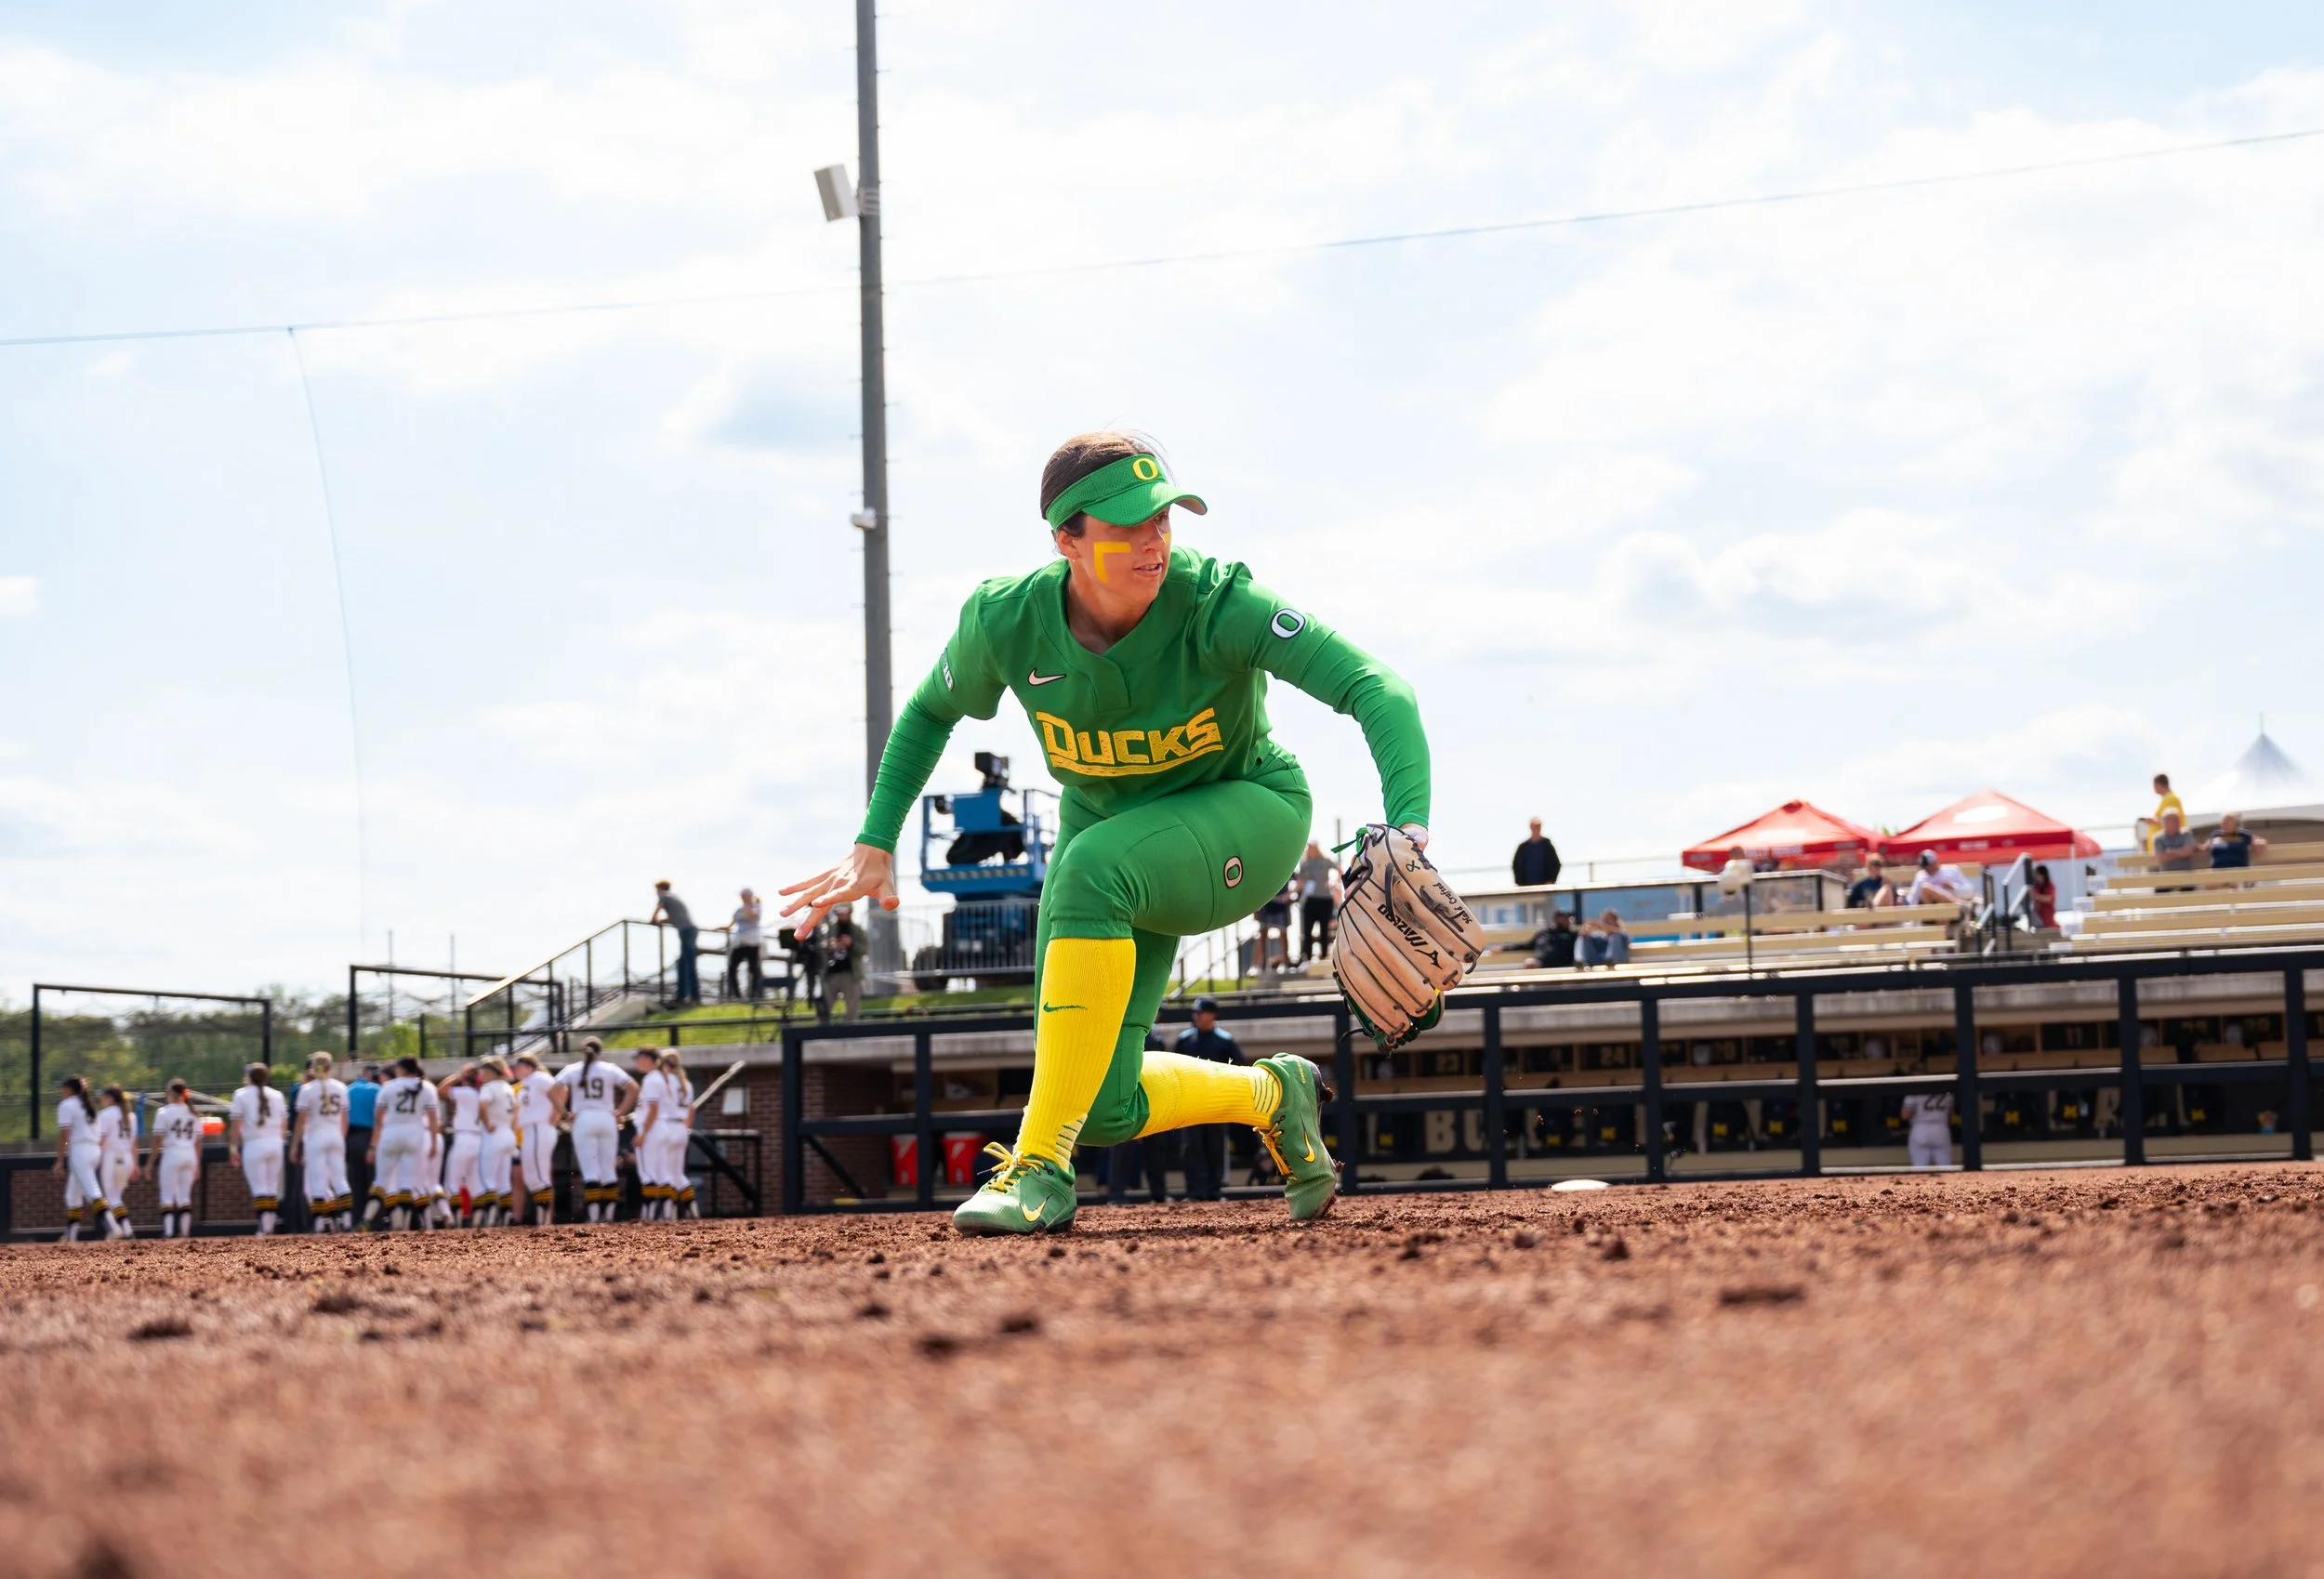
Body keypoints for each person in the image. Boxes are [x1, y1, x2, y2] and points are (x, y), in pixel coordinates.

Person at [781, 429, 1415, 1235]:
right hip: (1111, 835)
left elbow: (1377, 687)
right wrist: (875, 840)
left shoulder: (1218, 602)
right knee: (1101, 1101)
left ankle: (1038, 1169)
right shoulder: (1007, 619)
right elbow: (929, 711)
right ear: (1067, 541)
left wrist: (1410, 825)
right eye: (1127, 526)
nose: (1154, 540)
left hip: (1246, 812)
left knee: (1088, 869)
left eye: (1164, 519)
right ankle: (1275, 1095)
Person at [552, 1036, 637, 1223]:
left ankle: (593, 1216)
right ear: (600, 1052)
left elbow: (552, 1091)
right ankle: (609, 1215)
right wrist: (621, 1112)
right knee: (608, 1169)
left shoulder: (572, 1069)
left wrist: (565, 1114)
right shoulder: (610, 1068)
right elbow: (633, 1088)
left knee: (590, 1171)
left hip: (583, 1119)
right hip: (606, 1118)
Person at [1171, 997, 1245, 1201]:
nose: (1197, 1016)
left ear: (1212, 1015)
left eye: (1201, 1012)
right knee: (1191, 1147)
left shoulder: (1224, 1040)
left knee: (1216, 1146)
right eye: (1195, 1013)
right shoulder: (1185, 1040)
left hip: (1216, 1101)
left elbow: (1238, 1069)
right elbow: (1172, 1068)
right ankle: (1194, 1191)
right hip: (1191, 1101)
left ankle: (1214, 1191)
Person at [362, 1057, 440, 1231]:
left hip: (391, 1133)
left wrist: (372, 1146)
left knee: (381, 1180)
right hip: (415, 1134)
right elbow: (434, 1119)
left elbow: (378, 1119)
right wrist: (434, 1143)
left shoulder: (388, 1087)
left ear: (402, 1069)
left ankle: (367, 1218)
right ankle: (403, 1225)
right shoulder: (427, 1088)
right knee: (406, 1182)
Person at [291, 1052, 353, 1232]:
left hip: (316, 1136)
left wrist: (294, 1145)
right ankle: (347, 1222)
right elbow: (345, 1118)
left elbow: (301, 1121)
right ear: (330, 1067)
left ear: (313, 1068)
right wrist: (341, 1137)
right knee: (340, 1180)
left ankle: (319, 1224)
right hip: (335, 1135)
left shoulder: (307, 1089)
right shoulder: (341, 1087)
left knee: (317, 1180)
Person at [228, 1063, 287, 1235]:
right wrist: (279, 1141)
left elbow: (236, 1125)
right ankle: (269, 1226)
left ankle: (264, 1227)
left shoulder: (241, 1094)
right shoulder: (277, 1095)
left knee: (259, 1187)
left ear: (249, 1077)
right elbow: (284, 1124)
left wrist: (233, 1147)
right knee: (272, 1186)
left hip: (254, 1144)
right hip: (275, 1143)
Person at [640, 1049, 698, 1220]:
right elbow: (692, 1109)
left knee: (666, 1174)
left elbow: (654, 1106)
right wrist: (686, 1127)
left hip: (666, 1125)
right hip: (681, 1127)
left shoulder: (663, 1080)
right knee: (678, 1174)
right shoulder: (686, 1082)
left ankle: (668, 1214)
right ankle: (693, 1211)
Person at [53, 1075, 110, 1242]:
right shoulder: (90, 1106)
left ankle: (114, 1227)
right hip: (94, 1150)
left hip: (80, 1151)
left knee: (92, 1191)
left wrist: (59, 1160)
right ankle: (71, 1236)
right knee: (72, 1196)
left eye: (63, 1088)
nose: (62, 1091)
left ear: (69, 1089)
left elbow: (64, 1135)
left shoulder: (66, 1105)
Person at [147, 1079, 203, 1239]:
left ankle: (169, 1232)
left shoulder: (164, 1112)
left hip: (172, 1153)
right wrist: (197, 1164)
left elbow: (157, 1139)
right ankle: (184, 1232)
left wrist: (150, 1163)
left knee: (167, 1195)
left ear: (172, 1094)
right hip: (189, 1154)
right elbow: (199, 1142)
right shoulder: (193, 1113)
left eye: (168, 1093)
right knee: (185, 1196)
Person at [511, 1052, 559, 1223]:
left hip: (540, 1127)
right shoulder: (525, 1084)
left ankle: (545, 1221)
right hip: (529, 1130)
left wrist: (558, 1112)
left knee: (540, 1175)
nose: (514, 1070)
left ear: (527, 1066)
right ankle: (542, 1219)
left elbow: (561, 1090)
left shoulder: (539, 1077)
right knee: (531, 1177)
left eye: (517, 1066)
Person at [436, 1063, 486, 1226]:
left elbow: (441, 1090)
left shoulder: (466, 1092)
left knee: (453, 1183)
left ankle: (457, 1222)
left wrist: (459, 1075)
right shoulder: (482, 1092)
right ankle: (477, 1222)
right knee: (475, 1184)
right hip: (479, 1140)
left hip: (464, 1139)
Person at [476, 1057, 517, 1228]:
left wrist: (487, 1123)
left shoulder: (488, 1087)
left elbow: (482, 1105)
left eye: (484, 1070)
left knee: (488, 1179)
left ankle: (491, 1218)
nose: (482, 1074)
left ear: (492, 1071)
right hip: (508, 1133)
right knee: (504, 1180)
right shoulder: (508, 1087)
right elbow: (516, 1111)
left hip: (494, 1134)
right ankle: (506, 1215)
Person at [96, 1086, 139, 1240]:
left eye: (103, 1097)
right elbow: (134, 1144)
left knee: (112, 1198)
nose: (102, 1100)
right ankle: (124, 1231)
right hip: (126, 1159)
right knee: (116, 1197)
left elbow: (101, 1140)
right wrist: (136, 1164)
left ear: (110, 1098)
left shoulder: (105, 1114)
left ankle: (126, 1231)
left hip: (112, 1158)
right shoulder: (131, 1116)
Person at [651, 880, 701, 1007]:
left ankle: (695, 997)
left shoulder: (665, 896)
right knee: (682, 964)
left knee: (689, 964)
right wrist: (662, 921)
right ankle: (681, 996)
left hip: (687, 931)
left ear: (660, 889)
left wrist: (653, 920)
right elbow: (675, 917)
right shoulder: (673, 898)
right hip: (689, 930)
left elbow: (657, 911)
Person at [1294, 841, 1340, 967]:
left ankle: (1324, 956)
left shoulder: (1325, 861)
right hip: (1309, 900)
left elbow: (1340, 870)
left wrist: (1333, 882)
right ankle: (1308, 958)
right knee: (1307, 930)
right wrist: (1291, 894)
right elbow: (1300, 881)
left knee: (1324, 929)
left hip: (1325, 900)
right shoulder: (1305, 863)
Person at [344, 1063, 381, 1211]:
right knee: (374, 1182)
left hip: (351, 1139)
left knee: (355, 1183)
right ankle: (374, 1218)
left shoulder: (348, 1090)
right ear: (370, 1074)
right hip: (372, 1138)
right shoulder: (378, 1090)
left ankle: (356, 1218)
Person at [818, 904, 863, 1022]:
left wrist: (851, 944)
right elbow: (821, 948)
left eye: (844, 911)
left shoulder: (857, 930)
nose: (842, 914)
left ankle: (851, 1029)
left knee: (852, 1007)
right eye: (839, 912)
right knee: (826, 1005)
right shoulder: (830, 929)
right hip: (832, 973)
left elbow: (864, 949)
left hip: (851, 974)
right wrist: (831, 945)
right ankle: (822, 1028)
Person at [728, 888, 765, 1001]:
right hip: (740, 942)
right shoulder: (739, 909)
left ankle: (755, 994)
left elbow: (752, 915)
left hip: (752, 943)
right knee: (732, 968)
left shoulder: (757, 906)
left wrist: (749, 904)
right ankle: (737, 995)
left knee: (754, 969)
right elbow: (732, 924)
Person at [1902, 1090, 1954, 1168]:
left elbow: (1905, 1115)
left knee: (1919, 1168)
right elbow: (1950, 1114)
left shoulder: (1914, 1091)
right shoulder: (1947, 1092)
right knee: (1945, 1167)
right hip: (1941, 1128)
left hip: (1920, 1127)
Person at [1906, 850, 1977, 907]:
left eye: (1929, 865)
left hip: (1952, 909)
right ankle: (1959, 905)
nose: (1927, 869)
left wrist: (1954, 887)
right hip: (1932, 909)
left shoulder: (1952, 871)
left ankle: (1957, 905)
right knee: (1926, 889)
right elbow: (1913, 898)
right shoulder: (1921, 876)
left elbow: (1970, 891)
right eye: (1925, 867)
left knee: (1940, 903)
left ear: (1936, 862)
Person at [2151, 810, 2199, 890]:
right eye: (2175, 821)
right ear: (2165, 823)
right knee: (2159, 893)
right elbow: (2160, 858)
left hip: (2186, 876)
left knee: (2190, 891)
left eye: (2178, 820)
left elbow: (2188, 851)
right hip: (2166, 877)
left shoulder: (2186, 834)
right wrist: (2181, 853)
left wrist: (2171, 853)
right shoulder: (2158, 838)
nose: (2179, 823)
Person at [1512, 817, 1561, 887]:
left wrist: (1551, 880)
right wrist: (1520, 882)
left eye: (1539, 826)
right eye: (1535, 826)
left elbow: (1556, 864)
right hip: (1527, 887)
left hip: (1545, 887)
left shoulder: (1547, 846)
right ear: (1531, 828)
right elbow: (1516, 865)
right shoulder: (1523, 848)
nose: (1537, 828)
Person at [2148, 773, 2185, 849]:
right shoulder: (2166, 799)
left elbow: (2172, 821)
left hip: (2168, 847)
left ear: (2158, 784)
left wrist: (2154, 821)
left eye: (2154, 785)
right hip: (2163, 847)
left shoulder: (2171, 798)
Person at [2027, 863, 2058, 930]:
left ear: (2043, 875)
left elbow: (2049, 899)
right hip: (2038, 917)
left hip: (2048, 918)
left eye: (2037, 874)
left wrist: (2035, 896)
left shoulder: (2050, 886)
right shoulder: (2036, 887)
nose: (2036, 877)